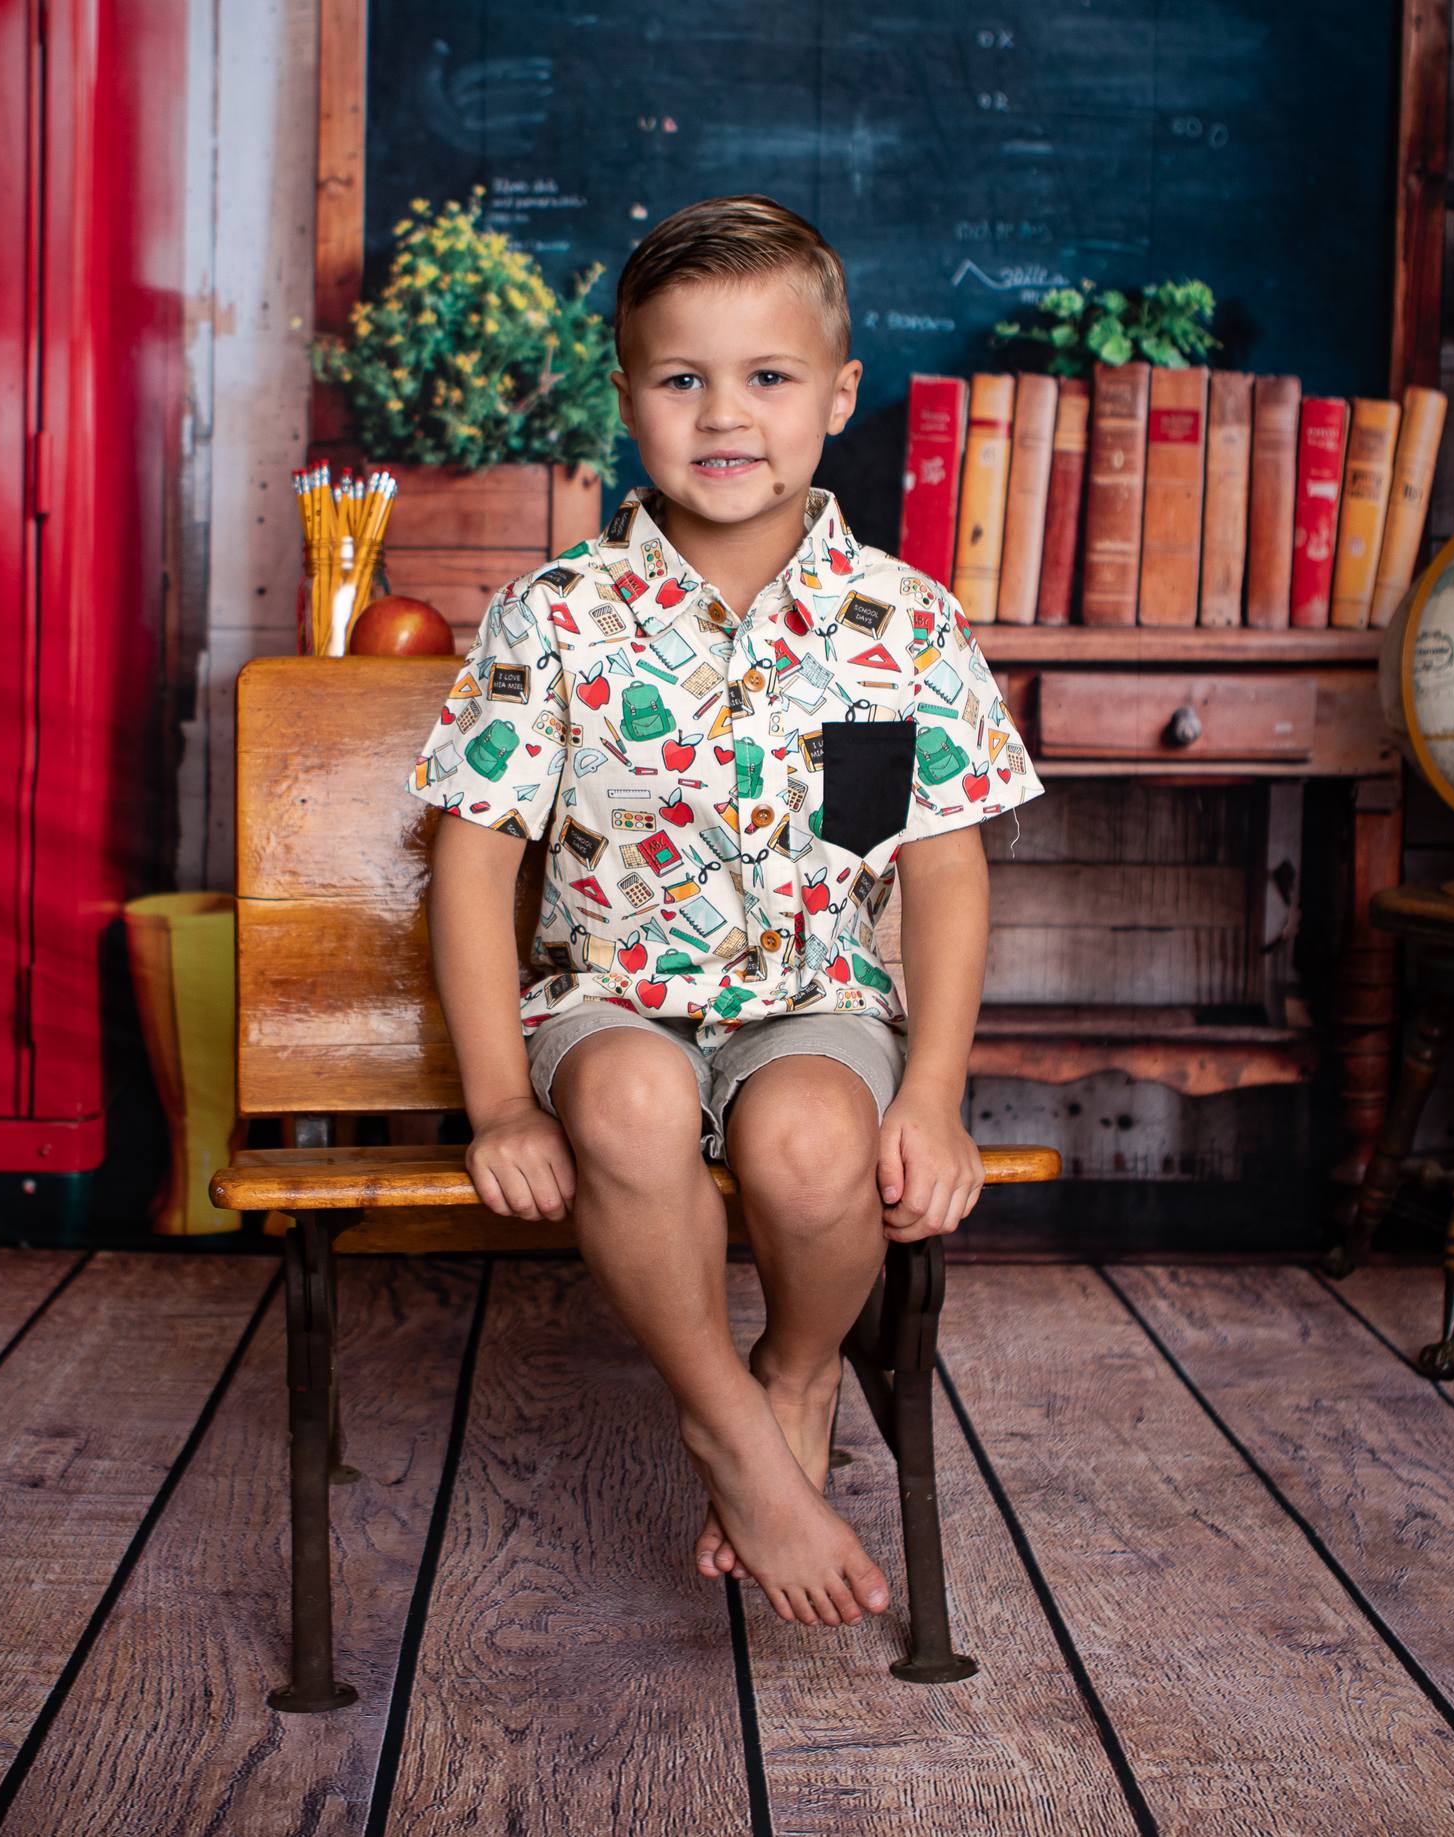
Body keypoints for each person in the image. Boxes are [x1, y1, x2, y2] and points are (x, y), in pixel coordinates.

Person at [404, 194, 1044, 1632]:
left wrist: (933, 1092)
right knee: (628, 1101)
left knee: (814, 1142)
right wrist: (502, 1104)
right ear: (625, 393)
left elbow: (942, 865)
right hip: (605, 999)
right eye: (681, 377)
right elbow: (471, 861)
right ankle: (730, 1432)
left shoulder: (905, 620)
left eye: (767, 376)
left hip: (818, 1001)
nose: (724, 415)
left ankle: (799, 1370)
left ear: (838, 395)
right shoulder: (556, 614)